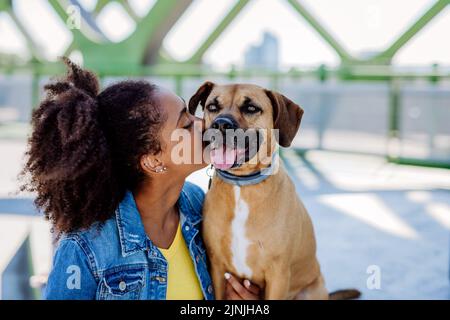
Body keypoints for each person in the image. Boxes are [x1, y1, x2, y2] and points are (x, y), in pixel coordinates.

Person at [21, 58, 260, 300]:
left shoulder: (200, 206)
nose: (204, 123)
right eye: (186, 124)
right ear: (153, 161)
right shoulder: (85, 246)